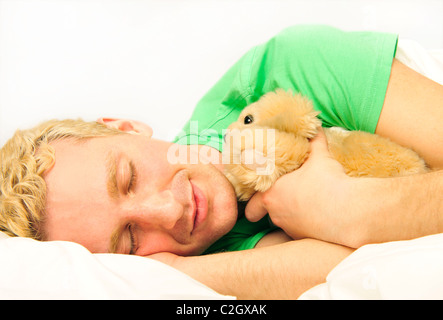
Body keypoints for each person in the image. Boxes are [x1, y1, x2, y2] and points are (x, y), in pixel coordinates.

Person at [1, 25, 443, 299]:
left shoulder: (281, 72)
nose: (170, 212)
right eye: (130, 241)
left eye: (128, 178)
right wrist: (179, 269)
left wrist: (342, 206)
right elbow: (352, 269)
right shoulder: (208, 260)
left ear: (126, 127)